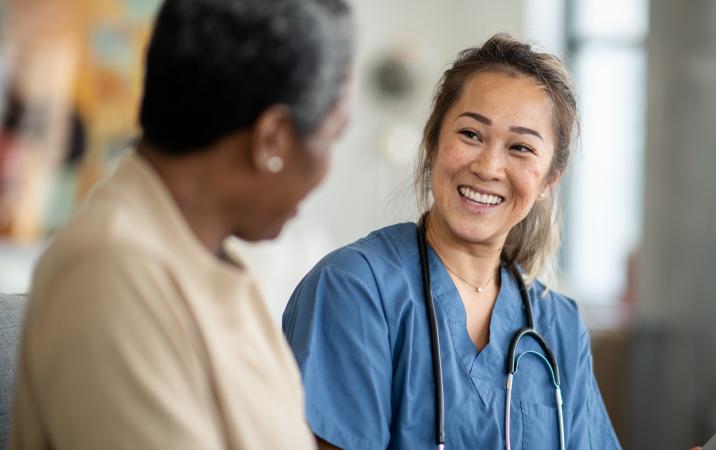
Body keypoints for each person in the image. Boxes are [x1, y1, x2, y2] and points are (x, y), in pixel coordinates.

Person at [10, 0, 353, 448]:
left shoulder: (213, 263)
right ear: (273, 139)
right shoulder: (111, 272)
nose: (327, 169)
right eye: (333, 136)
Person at [282, 34, 620, 449]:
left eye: (520, 147)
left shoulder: (559, 326)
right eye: (471, 134)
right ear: (433, 140)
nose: (488, 166)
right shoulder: (355, 289)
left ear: (550, 179)